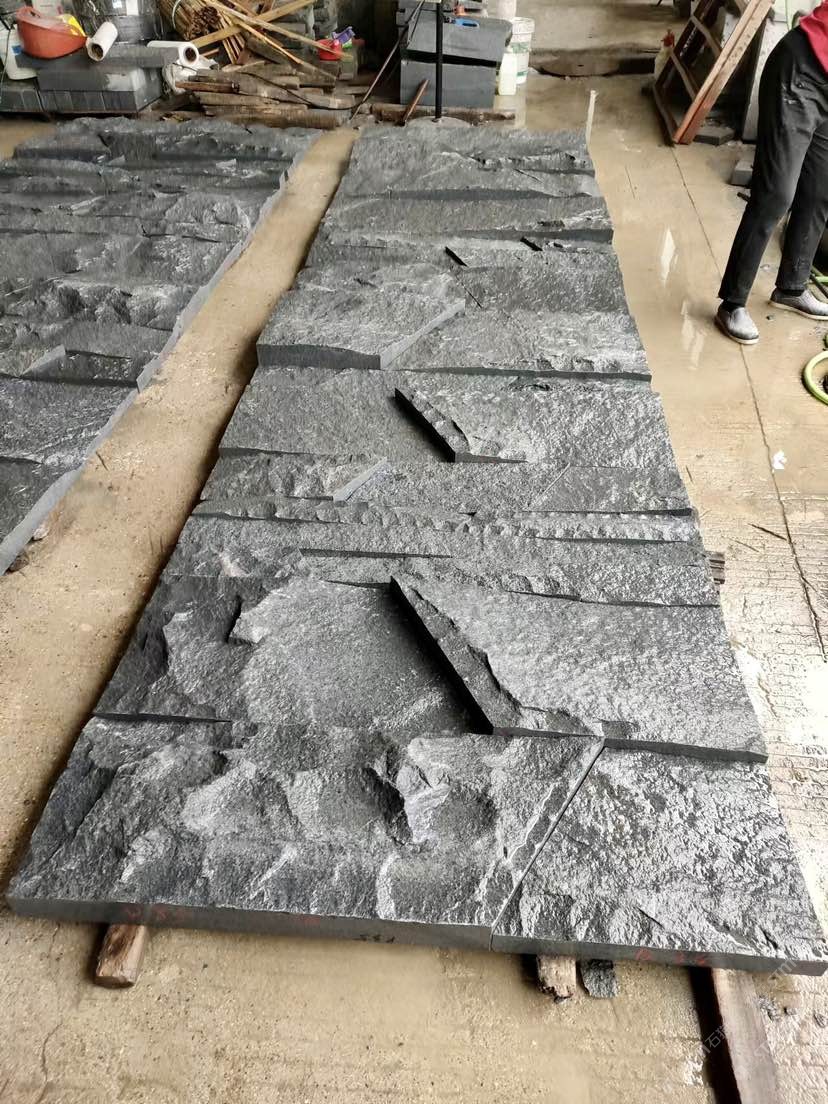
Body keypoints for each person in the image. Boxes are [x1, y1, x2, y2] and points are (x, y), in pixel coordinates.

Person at [716, 4, 828, 345]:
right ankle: (732, 303)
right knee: (777, 193)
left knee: (820, 190)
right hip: (803, 71)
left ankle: (791, 288)